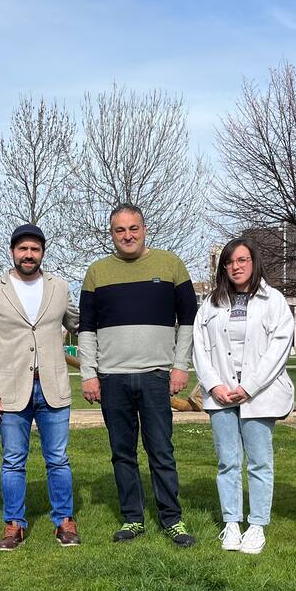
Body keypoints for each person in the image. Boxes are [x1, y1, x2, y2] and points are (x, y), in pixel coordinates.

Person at [79, 203, 198, 547]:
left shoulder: (170, 264)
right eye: (120, 230)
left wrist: (180, 365)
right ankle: (132, 518)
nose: (127, 235)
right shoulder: (97, 272)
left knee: (161, 449)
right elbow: (86, 328)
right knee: (122, 452)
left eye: (134, 228)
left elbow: (189, 320)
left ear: (145, 229)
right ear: (112, 234)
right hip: (112, 377)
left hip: (156, 375)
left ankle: (172, 519)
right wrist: (88, 373)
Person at [0, 224, 81, 550]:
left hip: (53, 389)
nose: (29, 254)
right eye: (23, 249)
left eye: (35, 249)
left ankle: (64, 520)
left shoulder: (59, 288)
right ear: (13, 252)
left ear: (42, 253)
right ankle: (13, 525)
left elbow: (80, 323)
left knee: (58, 460)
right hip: (10, 391)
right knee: (12, 461)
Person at [192, 237, 296, 555]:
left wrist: (249, 386)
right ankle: (232, 524)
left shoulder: (273, 300)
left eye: (242, 260)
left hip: (257, 395)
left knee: (260, 462)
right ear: (223, 267)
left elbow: (279, 348)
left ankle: (257, 526)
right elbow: (200, 348)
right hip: (222, 395)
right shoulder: (211, 304)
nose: (236, 267)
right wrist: (214, 386)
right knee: (227, 462)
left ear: (253, 263)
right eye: (230, 262)